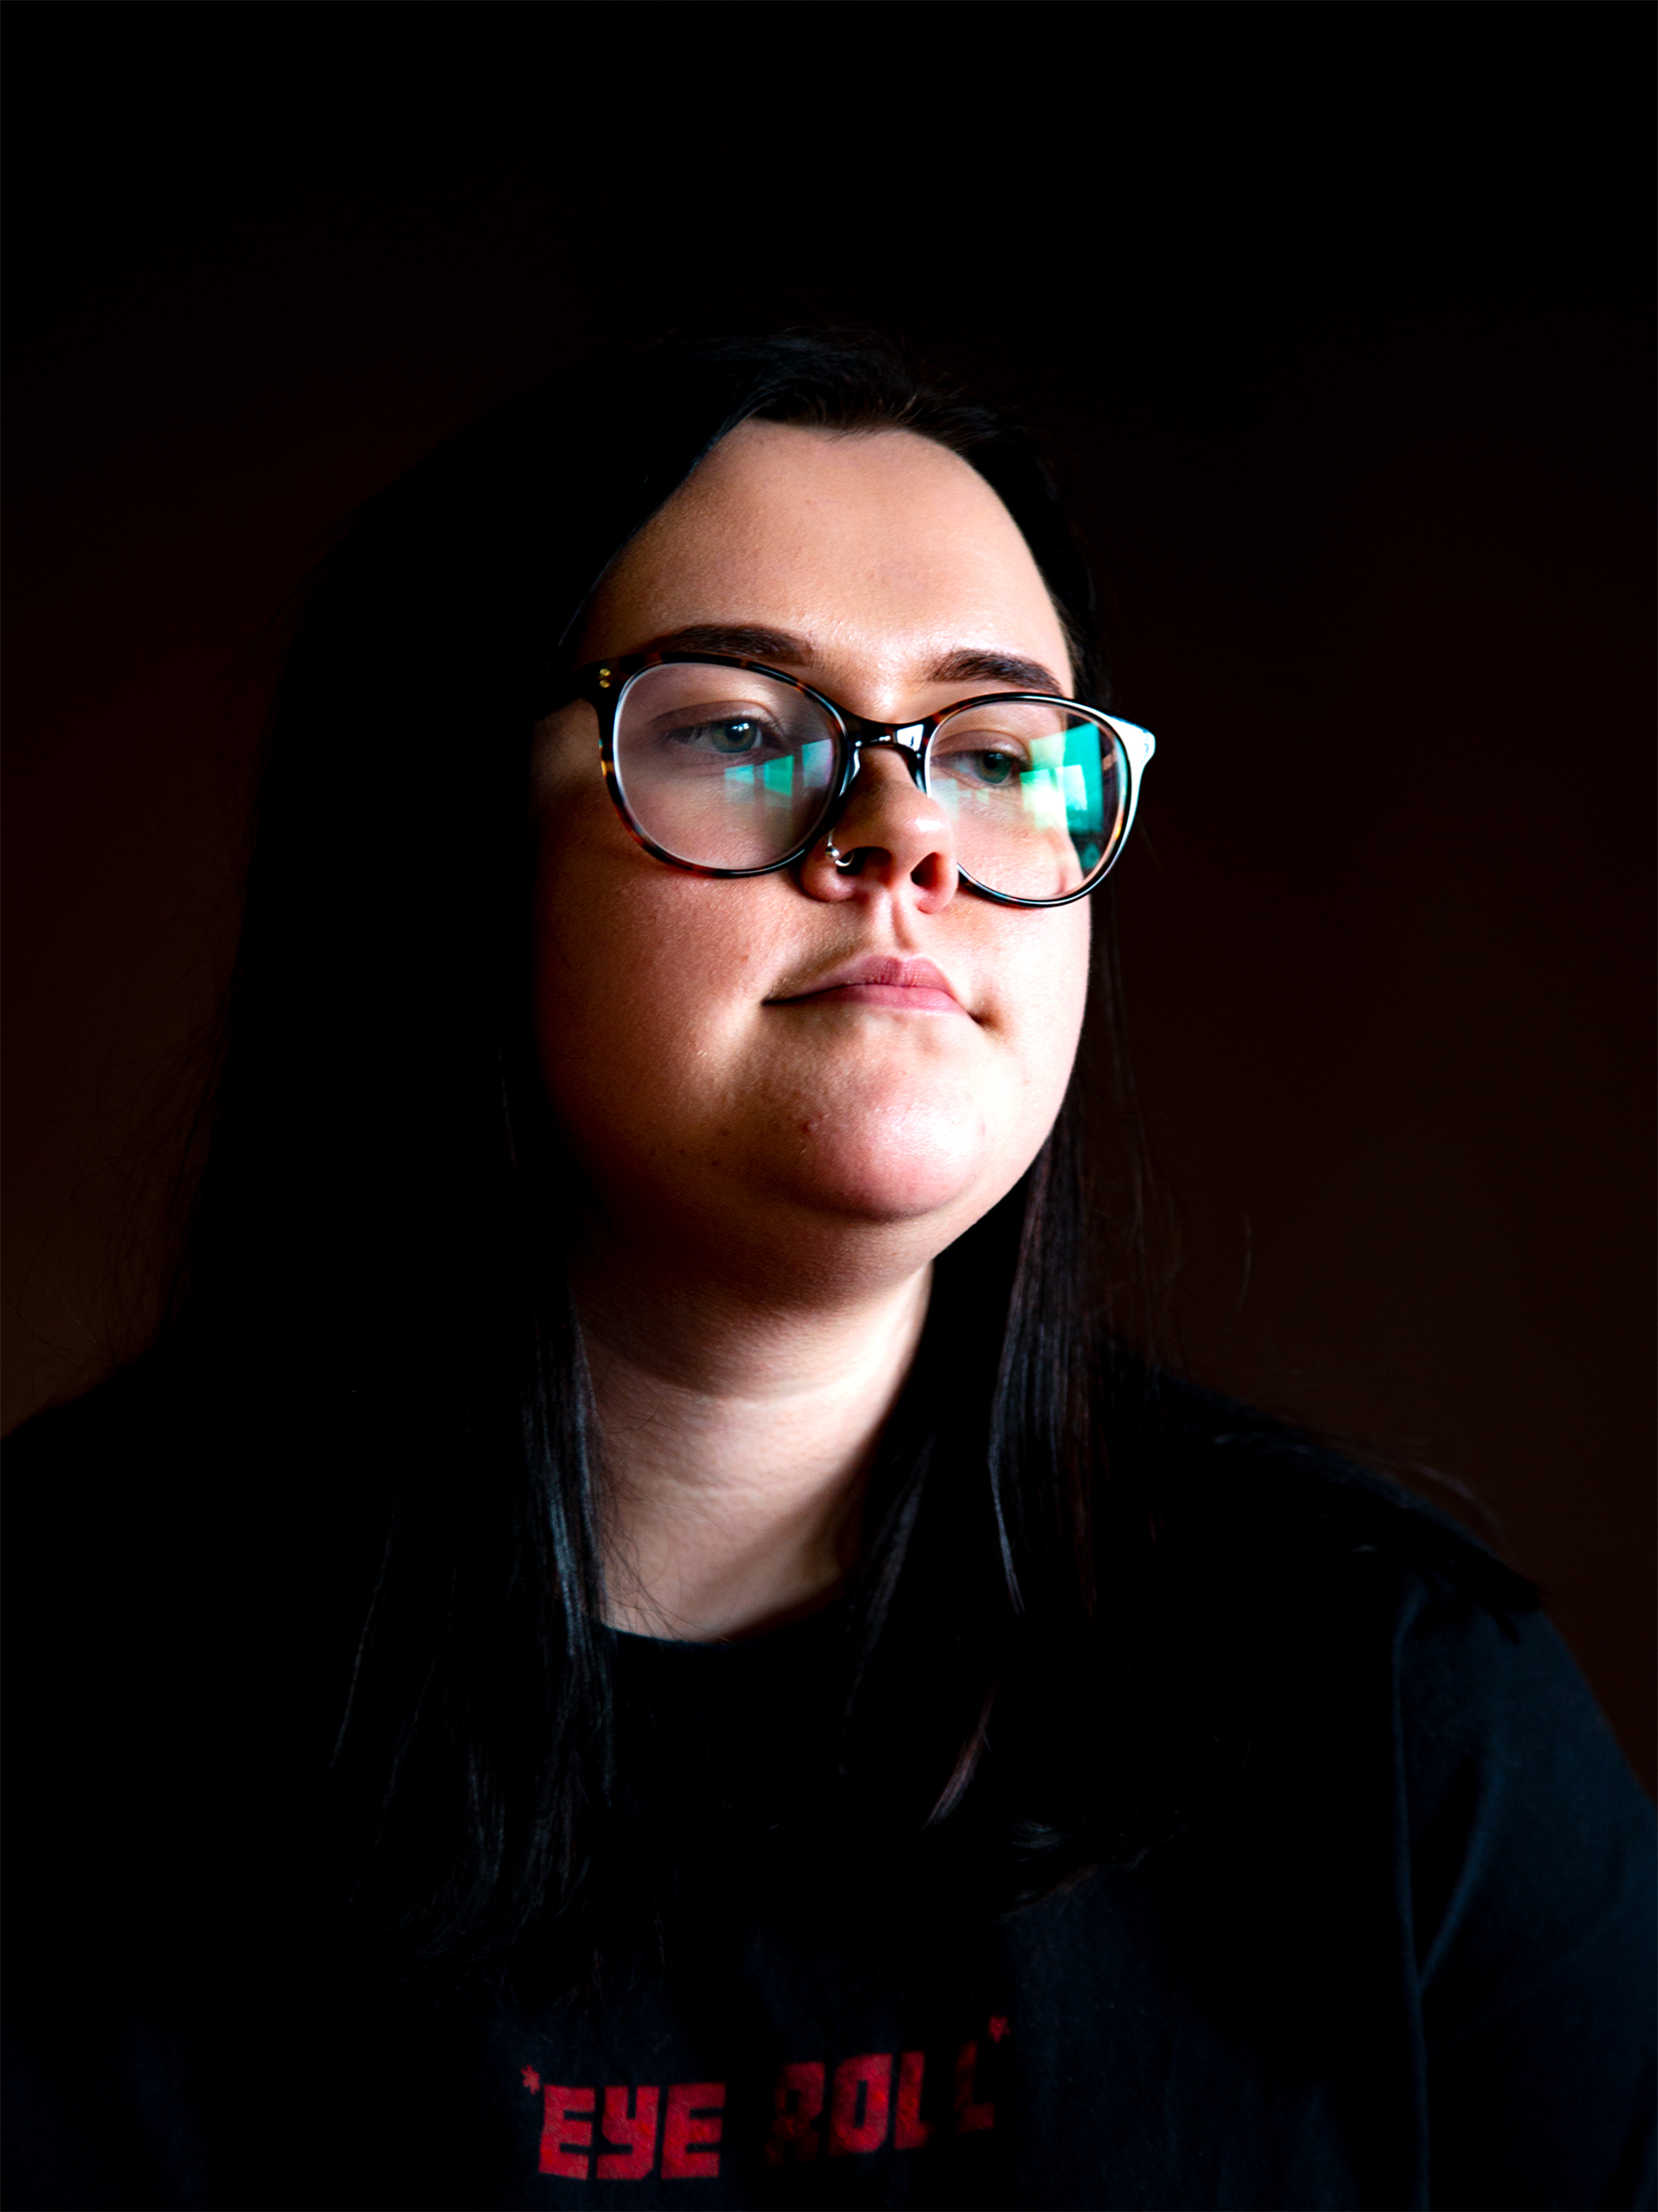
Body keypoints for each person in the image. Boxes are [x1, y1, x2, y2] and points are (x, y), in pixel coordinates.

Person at [4, 331, 1652, 2212]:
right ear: (437, 845)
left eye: (1000, 752)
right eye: (734, 730)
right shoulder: (49, 1707)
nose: (904, 834)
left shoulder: (1394, 1719)